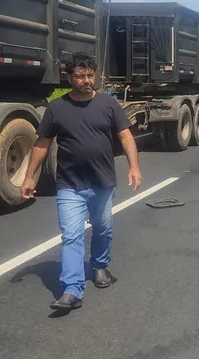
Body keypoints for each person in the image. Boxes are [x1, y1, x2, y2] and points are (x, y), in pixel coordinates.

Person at [20, 52, 143, 311]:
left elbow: (126, 137)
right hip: (70, 184)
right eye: (80, 76)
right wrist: (29, 176)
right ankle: (72, 289)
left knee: (102, 228)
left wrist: (134, 167)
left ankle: (100, 266)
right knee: (71, 234)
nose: (87, 80)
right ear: (69, 77)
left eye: (90, 75)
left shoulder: (109, 105)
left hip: (103, 181)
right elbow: (42, 144)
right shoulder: (57, 108)